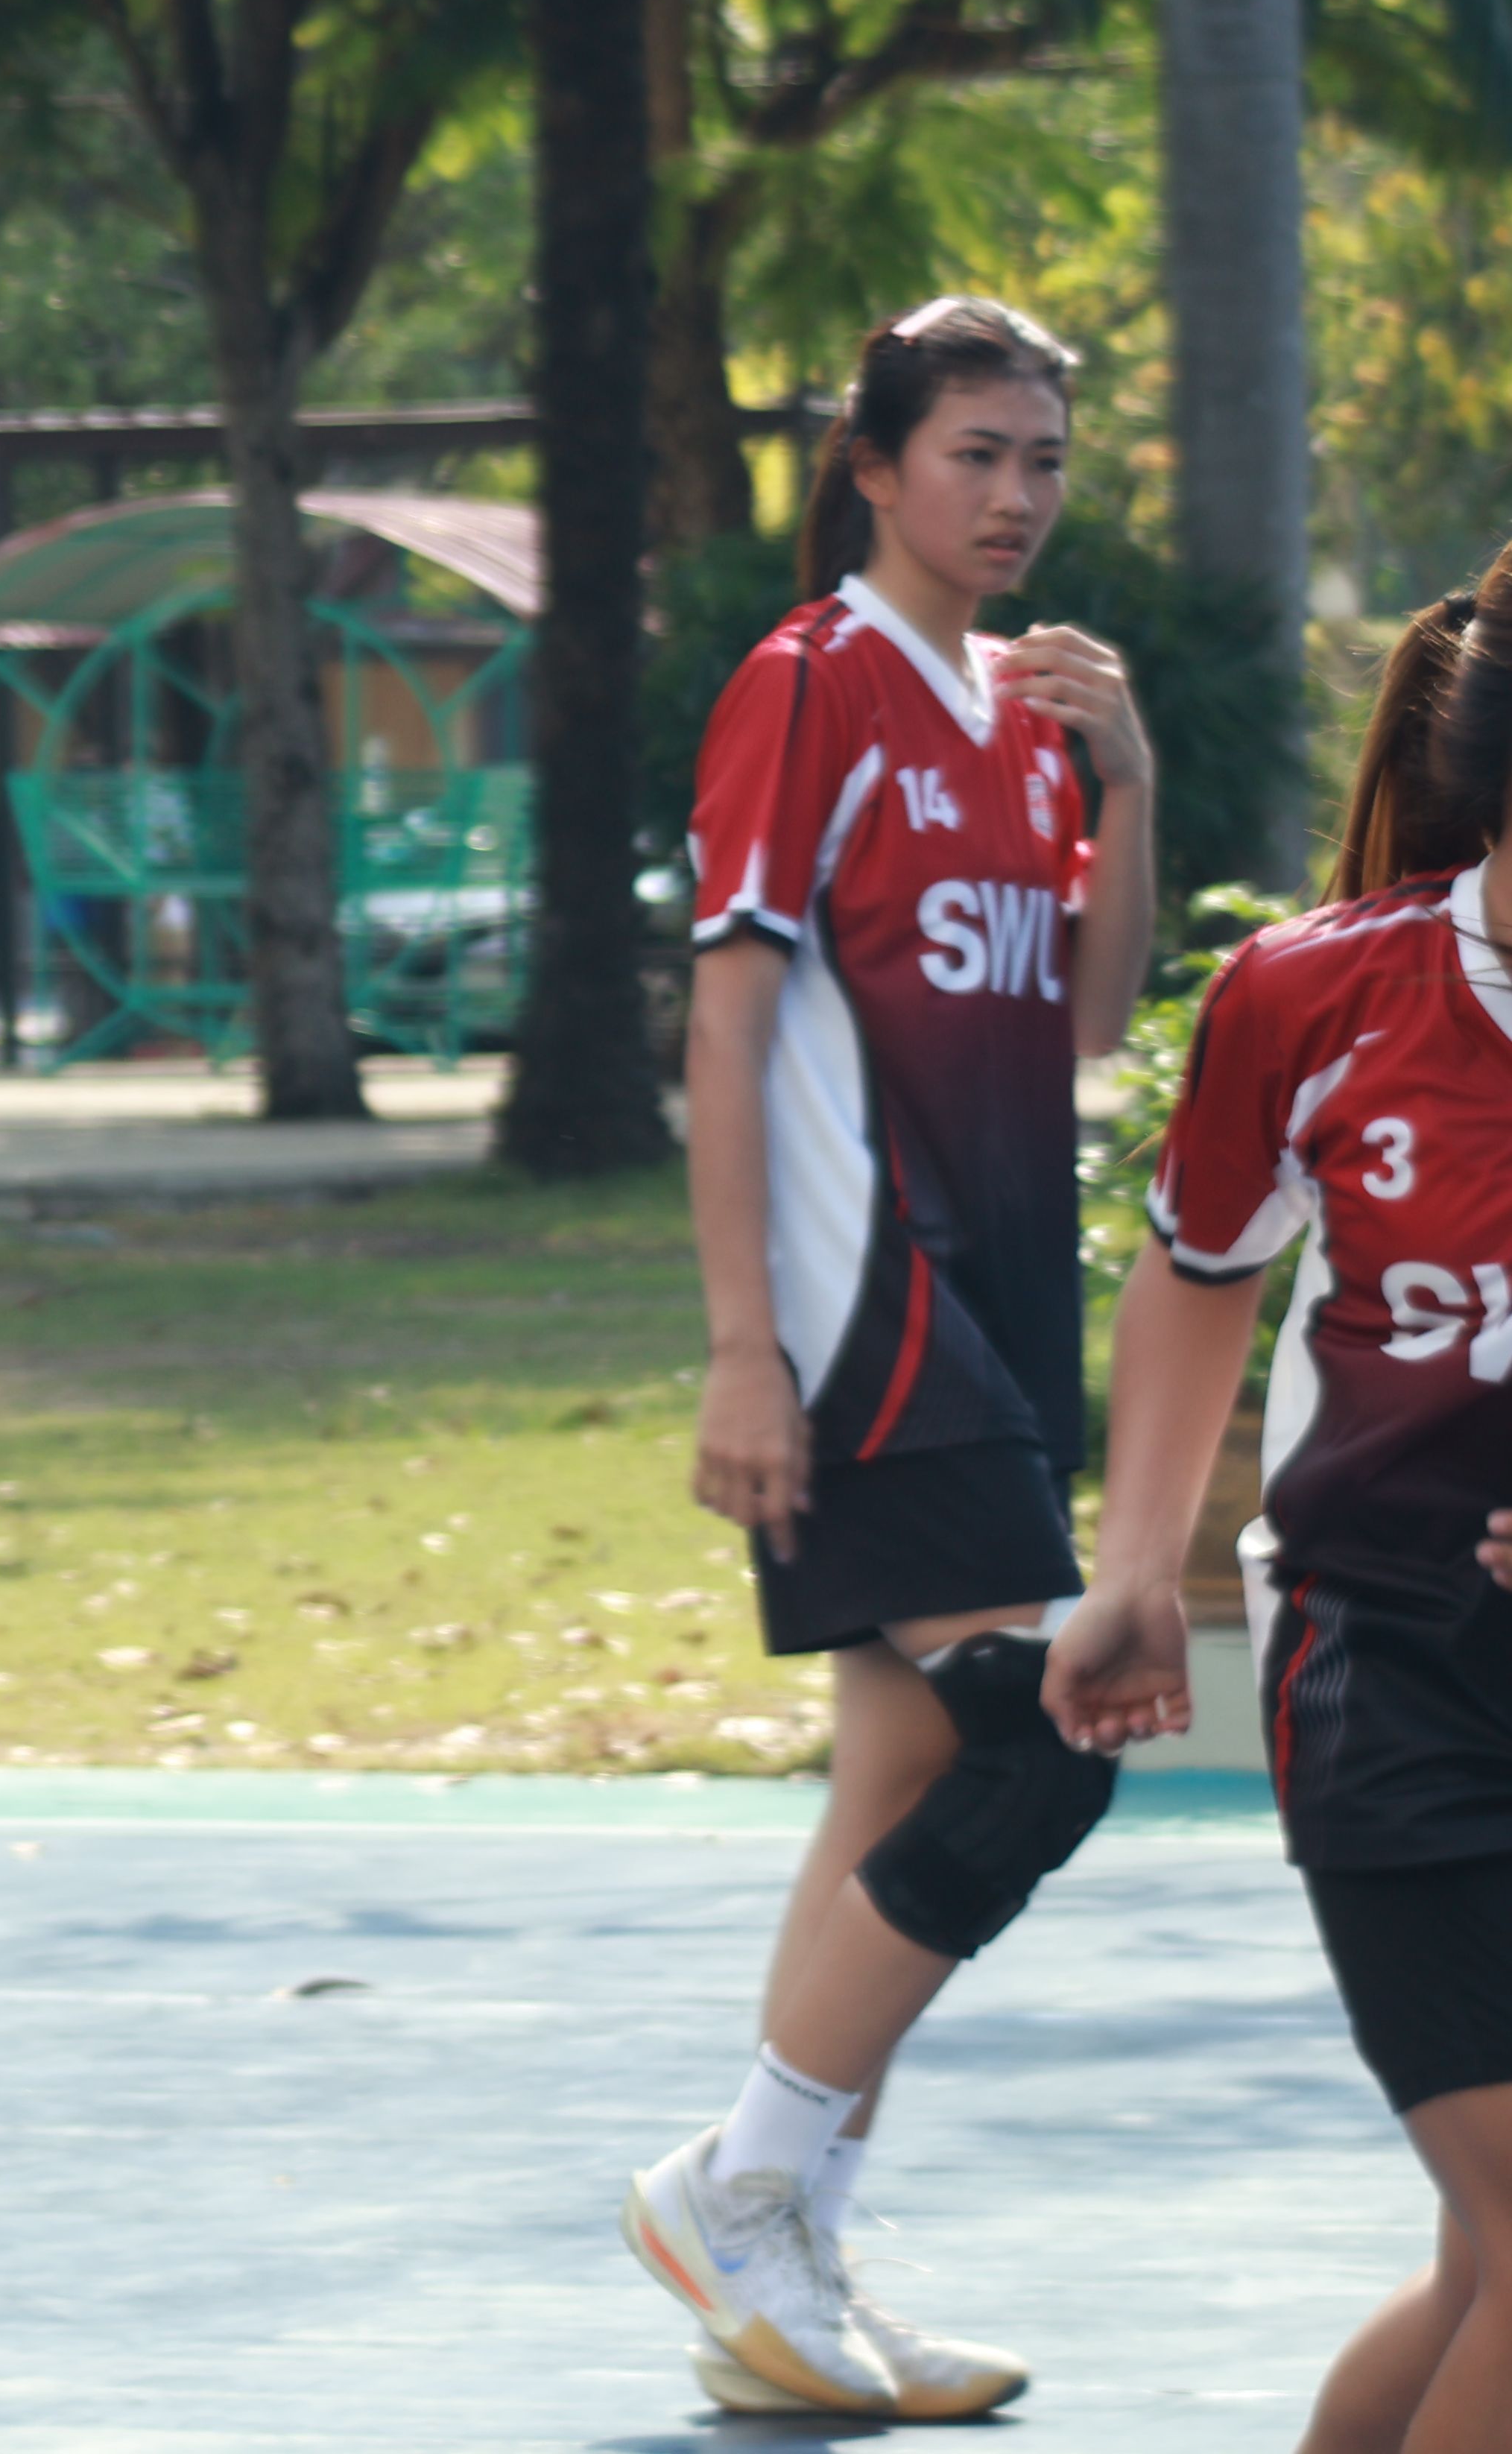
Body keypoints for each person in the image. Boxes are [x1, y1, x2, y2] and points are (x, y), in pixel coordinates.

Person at [620, 297, 1163, 2420]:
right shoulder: (810, 679)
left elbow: (1091, 1015)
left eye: (1044, 459)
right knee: (1040, 1742)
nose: (1017, 495)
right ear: (871, 465)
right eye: (976, 454)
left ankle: (784, 2276)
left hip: (1004, 1298)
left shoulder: (1023, 715)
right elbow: (731, 1022)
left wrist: (1125, 773)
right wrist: (742, 1349)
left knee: (903, 1771)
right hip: (869, 1308)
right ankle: (739, 2185)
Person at [1050, 541, 1512, 2453]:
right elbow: (1198, 1263)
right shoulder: (1319, 996)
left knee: (1488, 2262)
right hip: (1398, 1672)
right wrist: (1132, 1569)